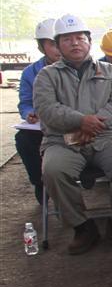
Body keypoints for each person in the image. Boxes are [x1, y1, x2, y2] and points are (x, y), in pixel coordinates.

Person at [33, 14, 112, 254]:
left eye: (80, 38)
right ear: (58, 45)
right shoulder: (47, 76)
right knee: (53, 170)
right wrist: (81, 121)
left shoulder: (110, 71)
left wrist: (95, 123)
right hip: (63, 141)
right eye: (67, 39)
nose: (75, 43)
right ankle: (82, 227)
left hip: (106, 138)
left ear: (89, 41)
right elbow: (47, 109)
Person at [15, 18, 62, 203]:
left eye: (60, 42)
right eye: (52, 44)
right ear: (42, 46)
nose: (58, 48)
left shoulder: (78, 69)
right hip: (43, 127)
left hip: (71, 125)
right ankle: (40, 182)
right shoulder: (30, 73)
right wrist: (29, 113)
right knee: (23, 140)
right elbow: (25, 102)